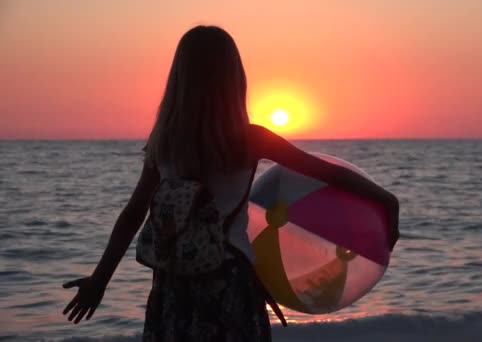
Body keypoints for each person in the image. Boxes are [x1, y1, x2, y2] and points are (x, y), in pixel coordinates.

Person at [62, 25, 400, 341]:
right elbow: (326, 172)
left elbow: (134, 212)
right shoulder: (248, 140)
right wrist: (386, 199)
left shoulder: (164, 139)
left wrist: (100, 280)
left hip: (172, 287)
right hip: (229, 282)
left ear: (179, 78)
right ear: (233, 78)